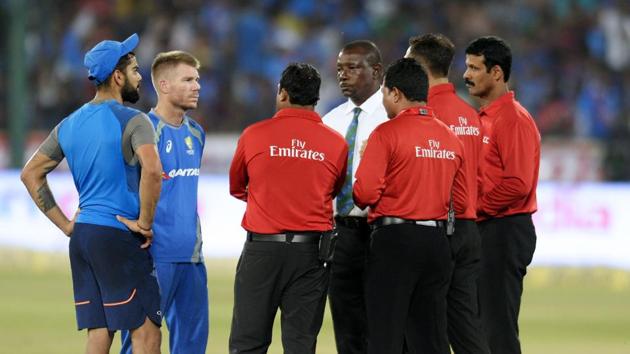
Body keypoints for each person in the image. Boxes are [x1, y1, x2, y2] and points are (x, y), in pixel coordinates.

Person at [20, 33, 163, 354]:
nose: (140, 78)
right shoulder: (134, 120)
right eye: (136, 70)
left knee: (99, 333)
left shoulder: (69, 124)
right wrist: (145, 222)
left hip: (83, 238)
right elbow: (153, 171)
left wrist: (67, 225)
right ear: (117, 76)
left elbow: (31, 173)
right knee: (146, 333)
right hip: (117, 237)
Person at [228, 63, 348, 354]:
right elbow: (334, 189)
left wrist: (269, 200)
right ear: (316, 98)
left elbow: (237, 186)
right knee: (300, 344)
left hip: (262, 250)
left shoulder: (254, 135)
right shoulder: (336, 143)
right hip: (311, 254)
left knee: (248, 342)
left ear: (282, 93)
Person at [354, 58, 468, 354]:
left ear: (395, 93)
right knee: (430, 338)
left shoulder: (386, 133)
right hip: (438, 242)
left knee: (385, 335)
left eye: (383, 94)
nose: (383, 101)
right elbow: (463, 198)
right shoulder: (451, 138)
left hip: (395, 241)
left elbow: (364, 194)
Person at [406, 34, 490, 354]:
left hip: (437, 227)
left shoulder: (423, 113)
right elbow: (479, 175)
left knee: (422, 322)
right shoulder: (471, 115)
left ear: (417, 66)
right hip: (469, 228)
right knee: (464, 323)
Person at [120, 51, 208, 354]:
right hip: (152, 257)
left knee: (192, 346)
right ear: (164, 85)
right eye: (188, 80)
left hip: (192, 258)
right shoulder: (142, 129)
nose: (197, 86)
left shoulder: (196, 133)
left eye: (197, 79)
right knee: (140, 344)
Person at [463, 36, 540, 354]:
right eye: (466, 67)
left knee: (497, 326)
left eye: (474, 68)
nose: (466, 75)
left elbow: (517, 184)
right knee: (480, 326)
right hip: (489, 228)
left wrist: (475, 209)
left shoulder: (512, 120)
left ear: (496, 73)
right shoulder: (485, 118)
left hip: (504, 230)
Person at [321, 39, 387, 354]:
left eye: (352, 68)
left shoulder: (392, 117)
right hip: (341, 233)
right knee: (347, 328)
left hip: (381, 231)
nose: (343, 75)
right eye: (339, 69)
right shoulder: (331, 121)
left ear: (376, 71)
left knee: (385, 326)